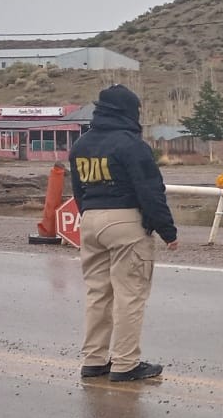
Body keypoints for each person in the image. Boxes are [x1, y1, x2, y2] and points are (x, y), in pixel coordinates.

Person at [69, 84, 178, 382]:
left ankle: (93, 360)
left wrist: (90, 215)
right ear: (129, 112)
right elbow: (150, 191)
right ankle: (126, 363)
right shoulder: (131, 145)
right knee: (129, 294)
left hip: (90, 220)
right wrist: (168, 231)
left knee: (97, 294)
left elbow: (78, 190)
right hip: (125, 221)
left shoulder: (81, 145)